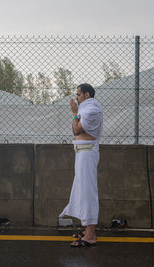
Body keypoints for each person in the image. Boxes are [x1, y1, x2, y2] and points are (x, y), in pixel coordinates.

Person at [59, 83, 104, 247]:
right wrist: (76, 115)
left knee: (88, 191)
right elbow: (75, 130)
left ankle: (91, 235)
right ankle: (87, 229)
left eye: (78, 94)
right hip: (81, 152)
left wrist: (74, 113)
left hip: (87, 152)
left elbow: (77, 130)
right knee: (80, 190)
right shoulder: (85, 109)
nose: (76, 97)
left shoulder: (92, 109)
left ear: (86, 95)